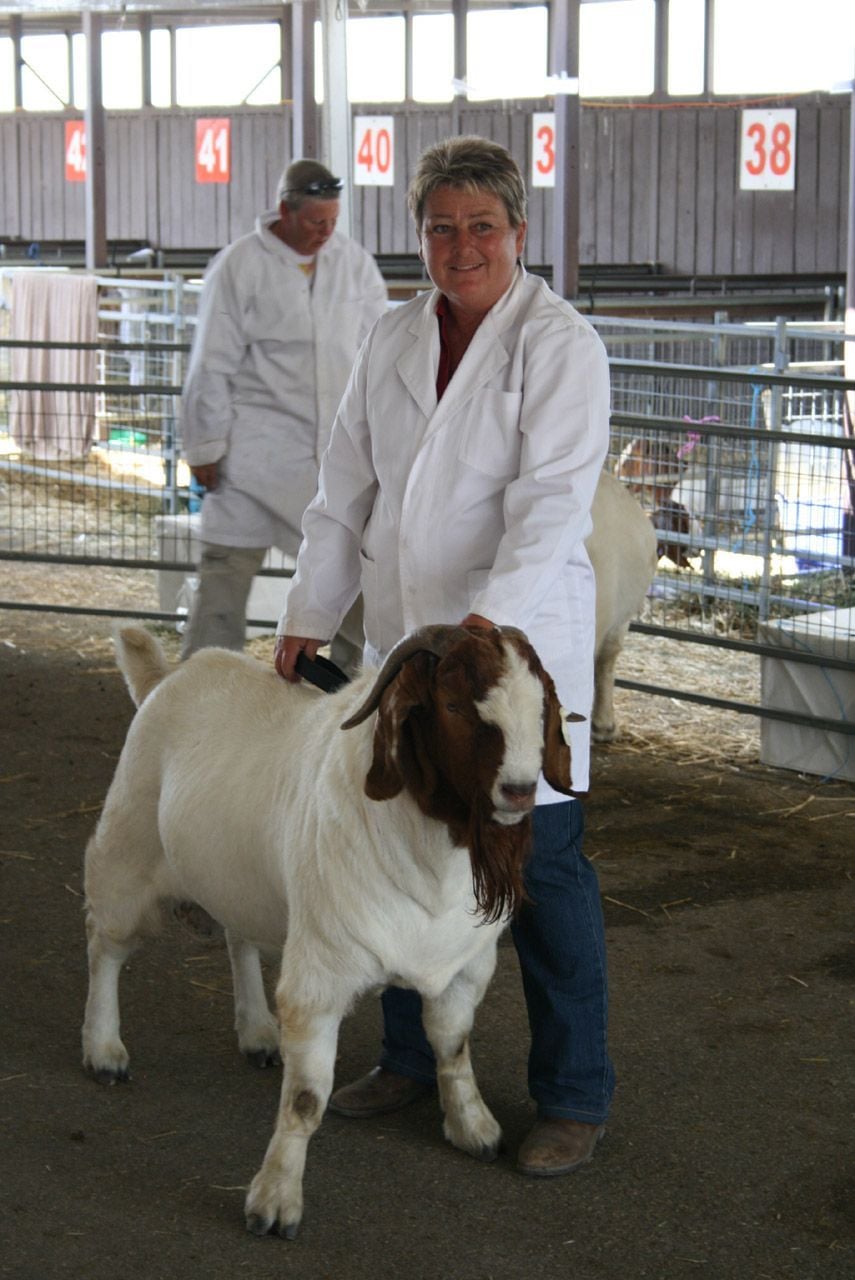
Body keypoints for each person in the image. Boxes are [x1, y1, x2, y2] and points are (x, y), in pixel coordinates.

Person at [274, 136, 614, 1177]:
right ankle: (409, 1062)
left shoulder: (556, 344)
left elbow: (551, 503)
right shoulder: (392, 335)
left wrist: (487, 632)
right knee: (397, 850)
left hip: (510, 661)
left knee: (543, 870)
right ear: (419, 233)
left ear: (517, 231)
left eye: (480, 226)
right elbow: (344, 490)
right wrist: (308, 609)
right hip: (408, 656)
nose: (459, 246)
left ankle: (572, 1094)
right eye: (440, 226)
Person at [179, 158, 387, 661]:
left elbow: (378, 348)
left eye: (333, 222)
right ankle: (197, 690)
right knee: (225, 577)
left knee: (348, 577)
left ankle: (343, 696)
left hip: (332, 455)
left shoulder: (353, 263)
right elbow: (211, 361)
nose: (326, 233)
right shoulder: (240, 265)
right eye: (317, 223)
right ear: (284, 212)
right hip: (252, 454)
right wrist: (204, 446)